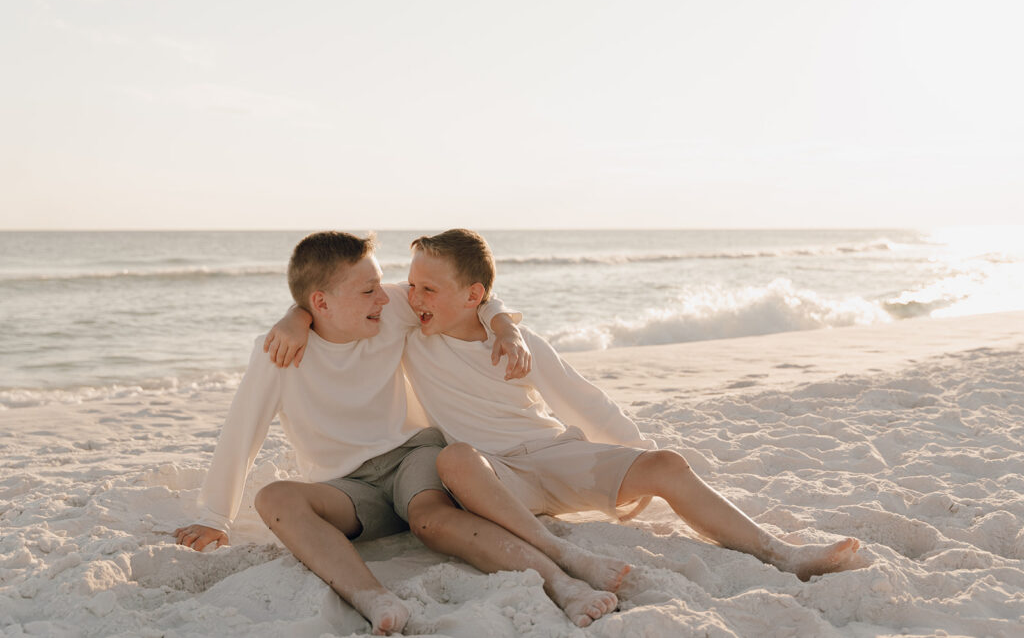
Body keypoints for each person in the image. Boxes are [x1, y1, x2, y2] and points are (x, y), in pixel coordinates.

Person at [267, 229, 865, 586]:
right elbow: (340, 302)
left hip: (555, 455)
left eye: (428, 288)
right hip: (494, 480)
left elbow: (583, 399)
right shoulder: (407, 324)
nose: (410, 295)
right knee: (456, 458)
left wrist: (628, 450)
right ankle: (561, 554)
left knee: (666, 464)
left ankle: (778, 554)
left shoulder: (518, 345)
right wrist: (295, 315)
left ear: (471, 295)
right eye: (410, 284)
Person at [174, 231, 620, 635]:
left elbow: (472, 297)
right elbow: (242, 429)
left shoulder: (385, 313)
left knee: (429, 519)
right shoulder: (280, 350)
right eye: (370, 290)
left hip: (414, 457)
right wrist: (215, 516)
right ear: (322, 304)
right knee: (274, 498)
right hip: (347, 490)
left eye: (381, 285)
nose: (388, 298)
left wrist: (503, 324)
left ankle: (561, 582)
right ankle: (375, 600)